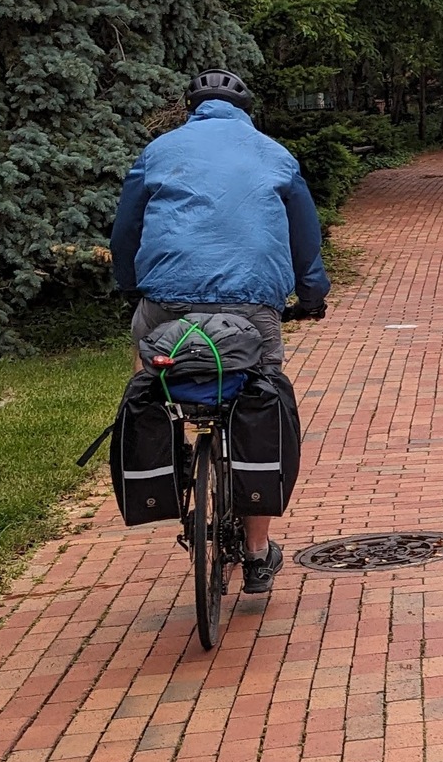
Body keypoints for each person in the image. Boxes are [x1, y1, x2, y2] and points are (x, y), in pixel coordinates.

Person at [109, 69, 329, 594]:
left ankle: (169, 448)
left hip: (166, 300)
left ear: (191, 108)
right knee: (261, 399)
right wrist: (312, 295)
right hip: (251, 306)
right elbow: (305, 234)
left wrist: (131, 285)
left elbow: (127, 228)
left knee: (146, 362)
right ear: (246, 110)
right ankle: (257, 553)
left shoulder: (160, 151)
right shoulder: (274, 154)